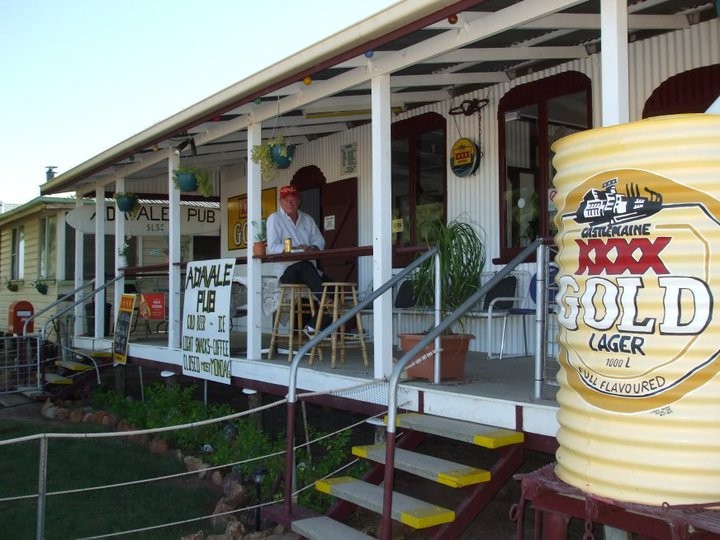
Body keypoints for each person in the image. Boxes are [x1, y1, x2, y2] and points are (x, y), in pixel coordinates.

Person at [266, 184, 332, 331]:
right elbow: (272, 247)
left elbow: (319, 241)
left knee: (334, 288)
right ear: (280, 202)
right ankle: (325, 300)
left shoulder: (307, 219)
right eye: (286, 200)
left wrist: (311, 248)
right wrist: (292, 249)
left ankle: (311, 328)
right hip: (286, 272)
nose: (290, 203)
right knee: (304, 265)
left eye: (293, 199)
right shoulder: (274, 219)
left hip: (310, 273)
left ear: (299, 201)